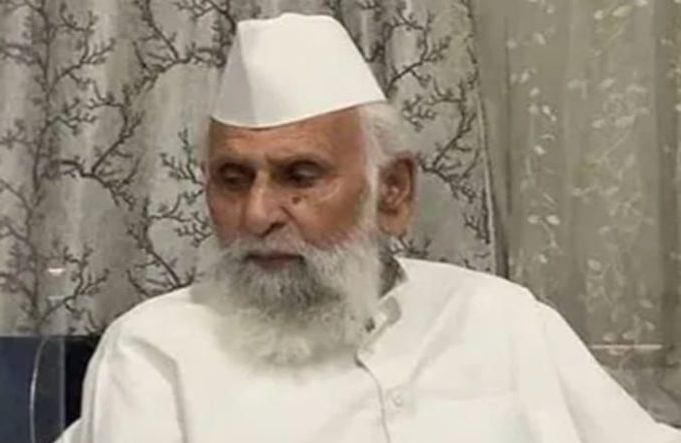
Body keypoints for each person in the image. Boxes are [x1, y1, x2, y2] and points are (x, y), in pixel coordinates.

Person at [59, 13, 681, 443]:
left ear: (393, 191)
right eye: (232, 178)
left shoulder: (501, 320)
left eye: (300, 175)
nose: (257, 214)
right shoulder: (155, 353)